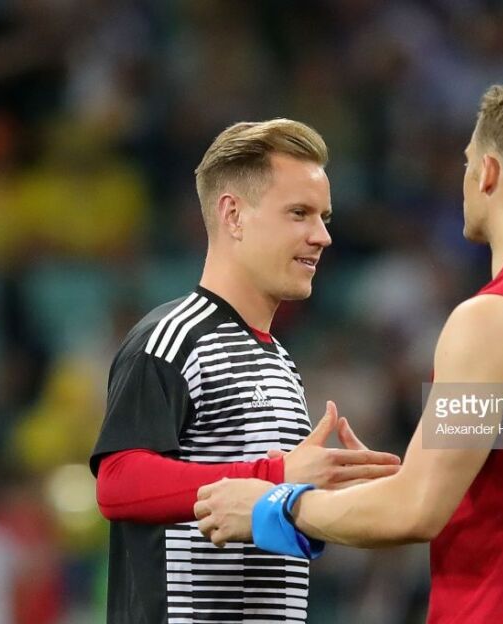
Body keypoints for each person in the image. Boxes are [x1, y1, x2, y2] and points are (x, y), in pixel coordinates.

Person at [193, 85, 503, 623]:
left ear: (489, 173)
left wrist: (271, 508)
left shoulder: (493, 320)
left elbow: (417, 512)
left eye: (467, 163)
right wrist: (391, 486)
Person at [89, 118, 401, 624]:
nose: (322, 236)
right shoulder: (170, 339)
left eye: (324, 217)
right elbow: (117, 482)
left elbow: (269, 514)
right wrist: (277, 476)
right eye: (299, 213)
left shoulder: (280, 361)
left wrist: (344, 492)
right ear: (233, 215)